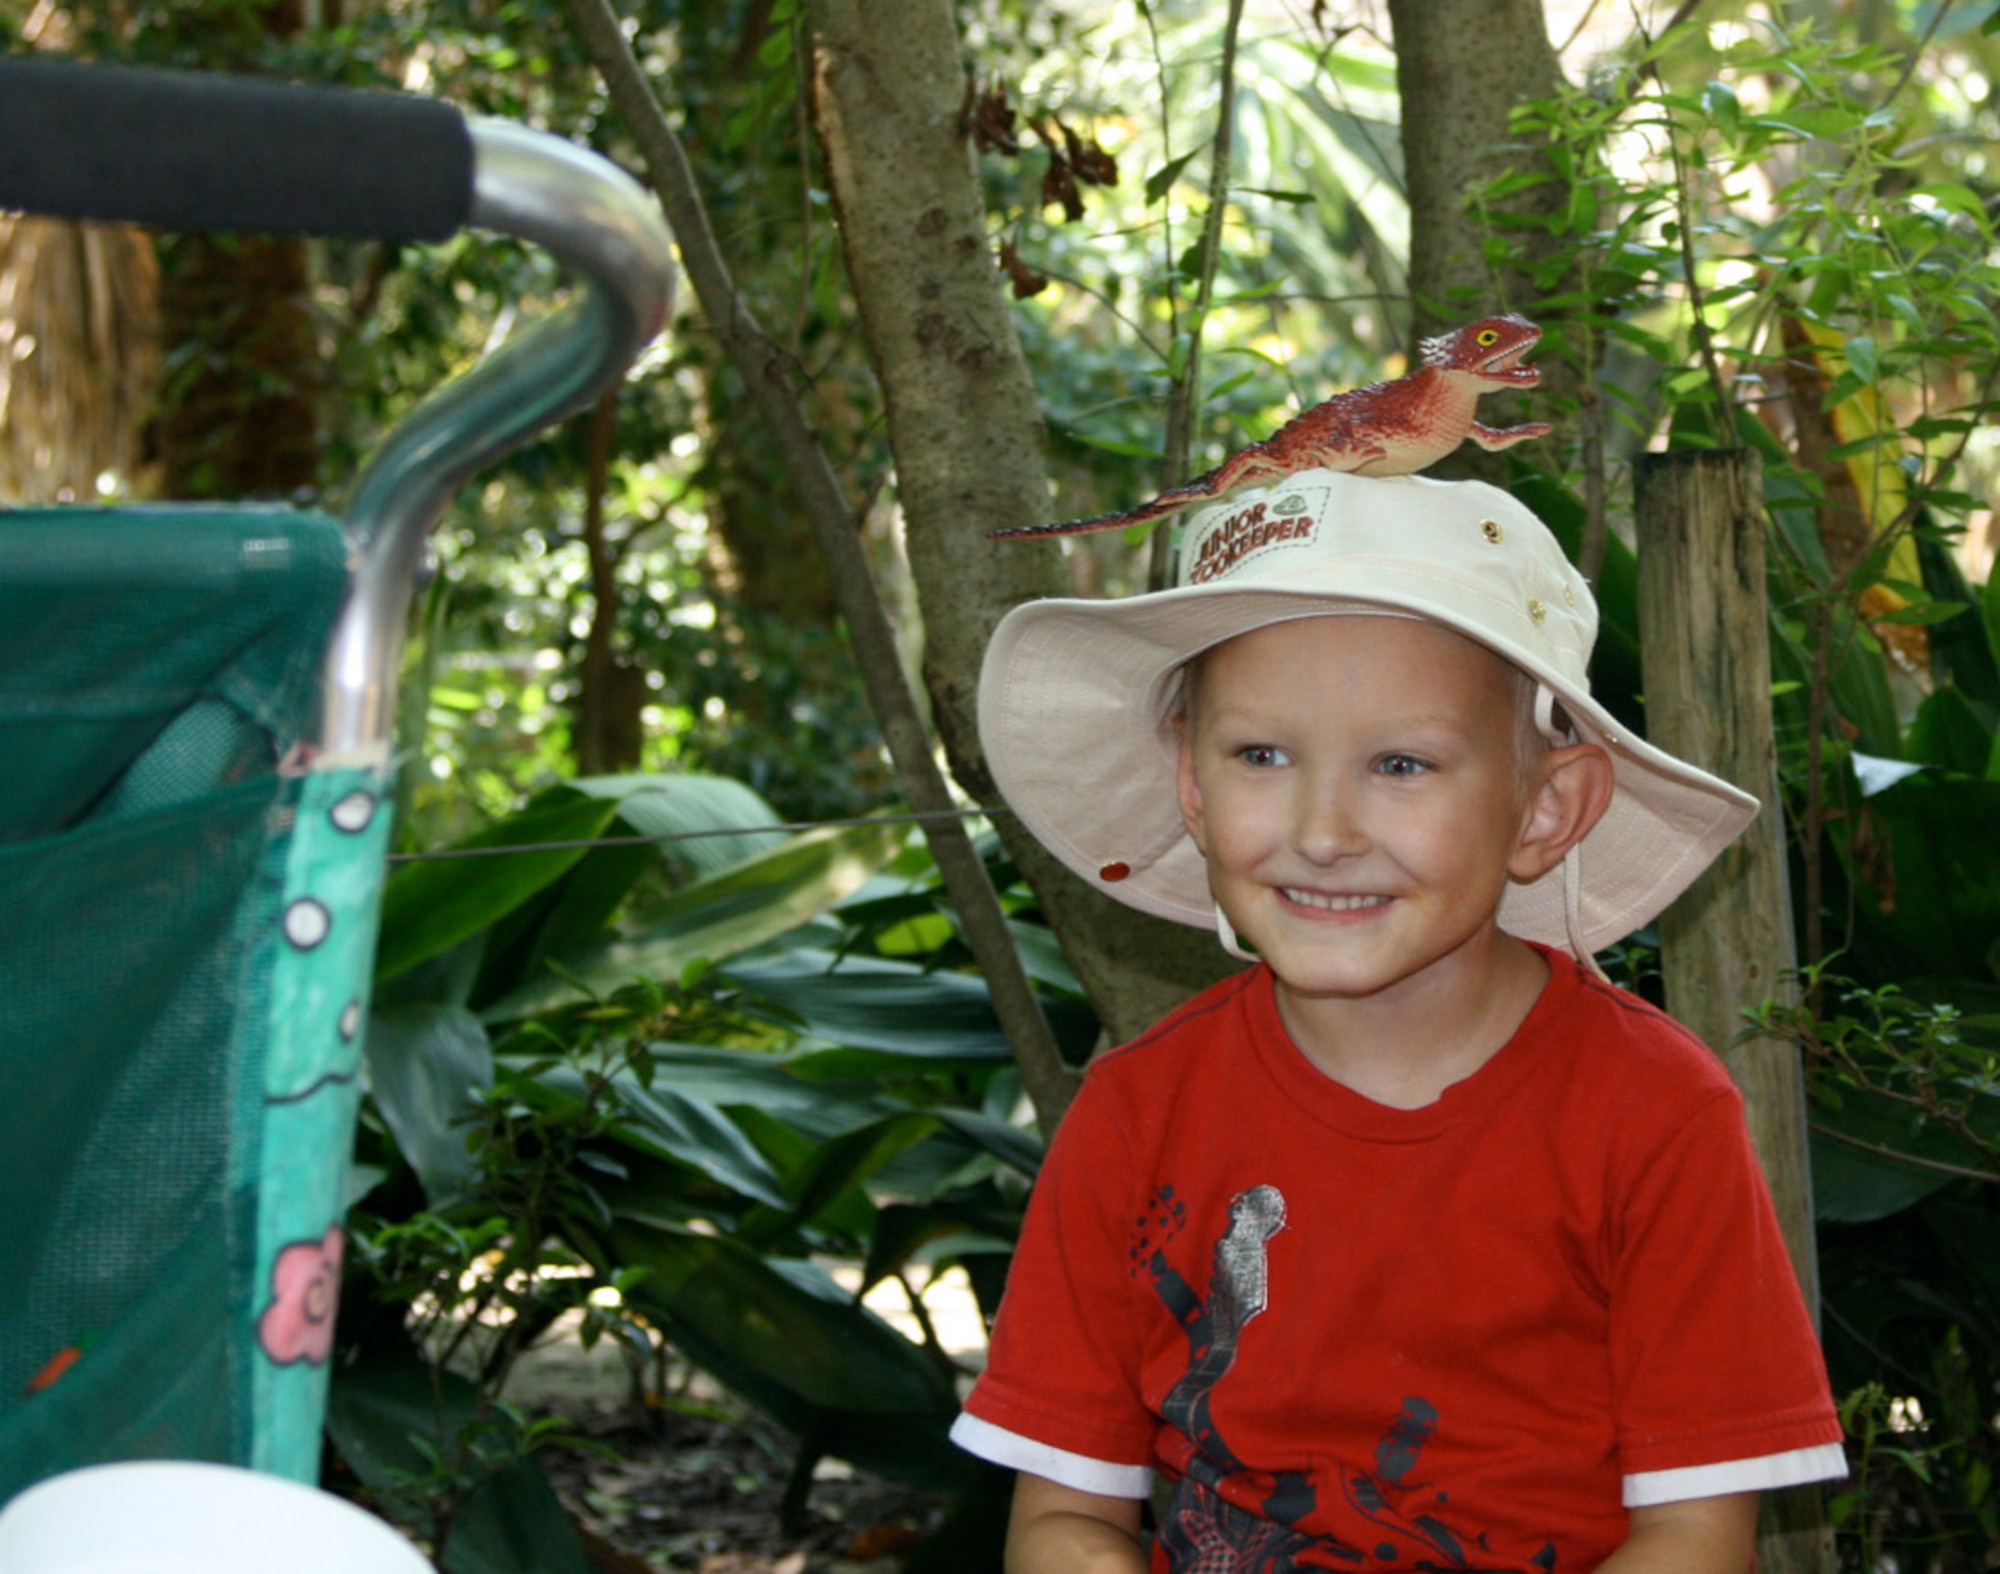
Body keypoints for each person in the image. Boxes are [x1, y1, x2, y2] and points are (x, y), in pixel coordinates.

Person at [953, 471, 1846, 1572]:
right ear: (1189, 783)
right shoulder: (1136, 1114)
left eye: (1400, 763)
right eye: (1261, 755)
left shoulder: (1651, 1114)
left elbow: (1695, 1538)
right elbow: (1061, 1518)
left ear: (1544, 806)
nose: (1323, 830)